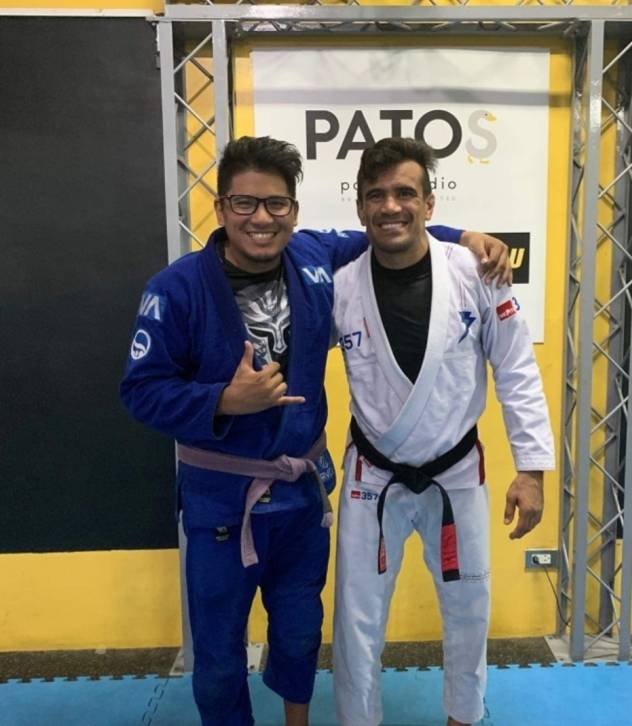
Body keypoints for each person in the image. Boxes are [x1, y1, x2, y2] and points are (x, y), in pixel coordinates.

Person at [120, 135, 511, 726]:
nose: (261, 218)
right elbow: (140, 391)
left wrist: (466, 236)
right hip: (221, 499)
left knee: (301, 632)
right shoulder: (175, 289)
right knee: (219, 650)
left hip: (300, 494)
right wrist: (222, 400)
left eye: (276, 203)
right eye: (245, 203)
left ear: (294, 211)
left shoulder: (310, 258)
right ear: (221, 208)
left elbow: (390, 228)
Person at [331, 137, 555, 726]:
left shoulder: (475, 272)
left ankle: (464, 717)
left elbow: (516, 369)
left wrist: (531, 472)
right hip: (372, 474)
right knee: (355, 617)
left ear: (430, 204)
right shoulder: (340, 284)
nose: (390, 206)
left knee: (469, 605)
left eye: (405, 193)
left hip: (455, 471)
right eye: (376, 195)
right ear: (360, 208)